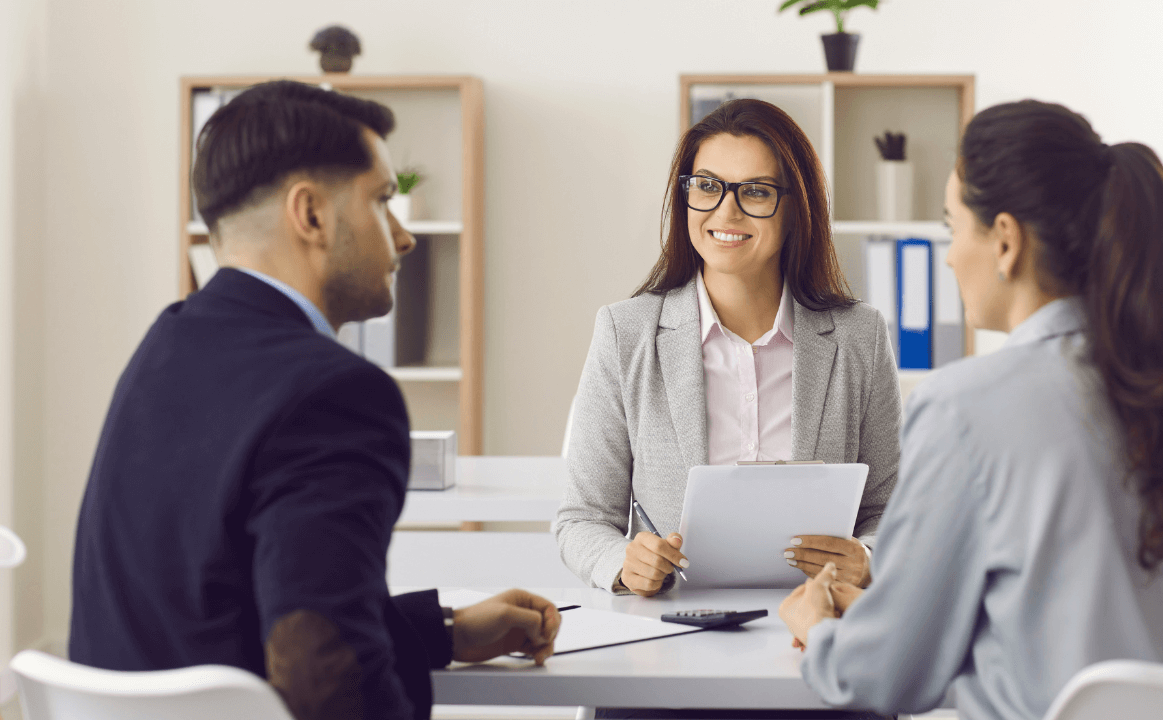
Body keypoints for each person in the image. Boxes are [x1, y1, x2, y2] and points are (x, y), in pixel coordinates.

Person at [69, 80, 560, 720]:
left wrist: (441, 629)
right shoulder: (336, 394)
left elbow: (224, 612)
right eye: (383, 200)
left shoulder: (166, 346)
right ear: (311, 215)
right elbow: (328, 688)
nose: (403, 237)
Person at [779, 100, 1163, 720]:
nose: (947, 257)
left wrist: (820, 627)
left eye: (951, 229)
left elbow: (881, 679)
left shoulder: (962, 407)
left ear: (1004, 241)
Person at [554, 99, 901, 597]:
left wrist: (867, 557)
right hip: (674, 626)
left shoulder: (858, 337)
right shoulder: (624, 333)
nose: (726, 211)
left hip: (818, 622)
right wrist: (622, 563)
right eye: (708, 186)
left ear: (795, 208)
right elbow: (582, 519)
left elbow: (891, 510)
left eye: (756, 192)